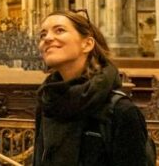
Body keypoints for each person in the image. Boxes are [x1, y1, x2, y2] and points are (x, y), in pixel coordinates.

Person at [34, 10, 152, 166]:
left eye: (59, 30)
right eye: (43, 35)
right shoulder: (48, 101)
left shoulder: (120, 111)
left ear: (87, 44)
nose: (47, 38)